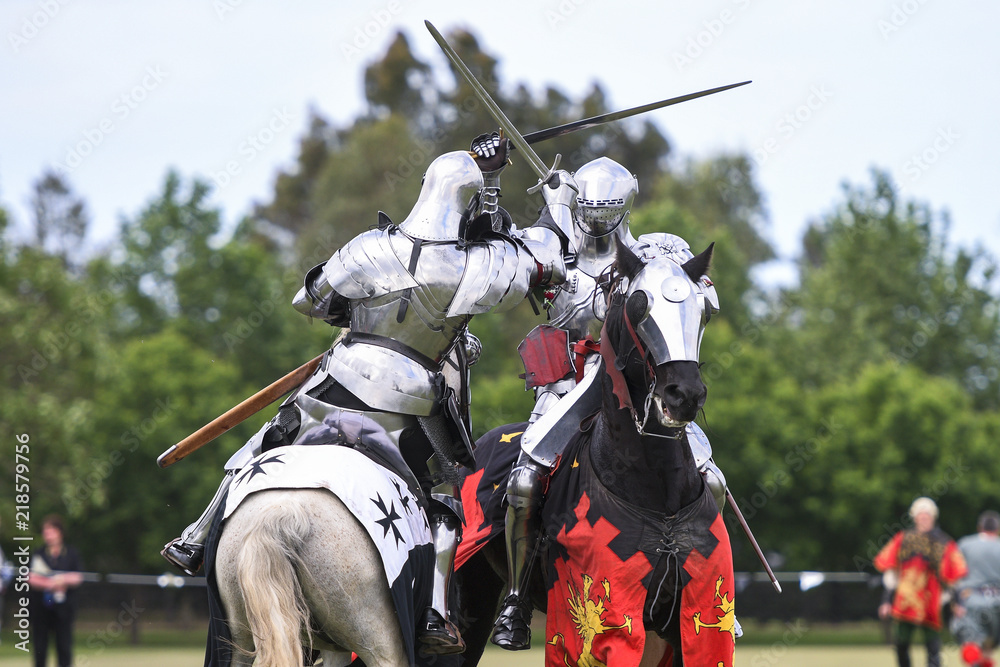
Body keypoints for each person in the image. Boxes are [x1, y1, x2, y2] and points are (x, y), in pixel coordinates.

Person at [161, 133, 577, 654]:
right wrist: (557, 199)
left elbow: (309, 301)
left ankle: (197, 536)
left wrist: (360, 312)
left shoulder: (369, 247)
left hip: (338, 378)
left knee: (268, 441)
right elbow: (548, 260)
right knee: (447, 491)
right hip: (410, 401)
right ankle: (434, 612)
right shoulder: (474, 266)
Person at [490, 156, 725, 650]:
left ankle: (708, 594)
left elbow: (704, 298)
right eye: (589, 213)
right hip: (566, 388)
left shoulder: (655, 252)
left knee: (713, 480)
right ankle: (515, 598)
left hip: (636, 388)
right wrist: (514, 195)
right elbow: (499, 262)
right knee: (525, 479)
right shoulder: (553, 248)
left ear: (625, 207)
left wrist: (676, 282)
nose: (596, 224)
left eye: (606, 215)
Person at [875, 497, 968, 667]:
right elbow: (891, 572)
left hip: (930, 599)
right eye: (921, 514)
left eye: (927, 514)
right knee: (901, 643)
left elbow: (953, 576)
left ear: (933, 517)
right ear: (914, 517)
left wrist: (958, 602)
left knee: (933, 645)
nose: (924, 517)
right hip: (905, 600)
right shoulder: (903, 539)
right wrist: (886, 600)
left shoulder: (943, 542)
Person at [28, 515, 83, 667]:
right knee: (40, 646)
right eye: (45, 532)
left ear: (60, 532)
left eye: (50, 531)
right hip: (41, 608)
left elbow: (78, 576)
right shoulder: (39, 553)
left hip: (64, 608)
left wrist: (62, 580)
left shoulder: (71, 553)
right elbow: (30, 577)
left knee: (64, 646)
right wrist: (50, 583)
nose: (47, 535)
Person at [951, 510, 1000, 667]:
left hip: (972, 599)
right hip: (997, 601)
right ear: (997, 529)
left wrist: (956, 602)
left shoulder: (965, 544)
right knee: (989, 645)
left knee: (971, 641)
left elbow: (954, 575)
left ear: (980, 527)